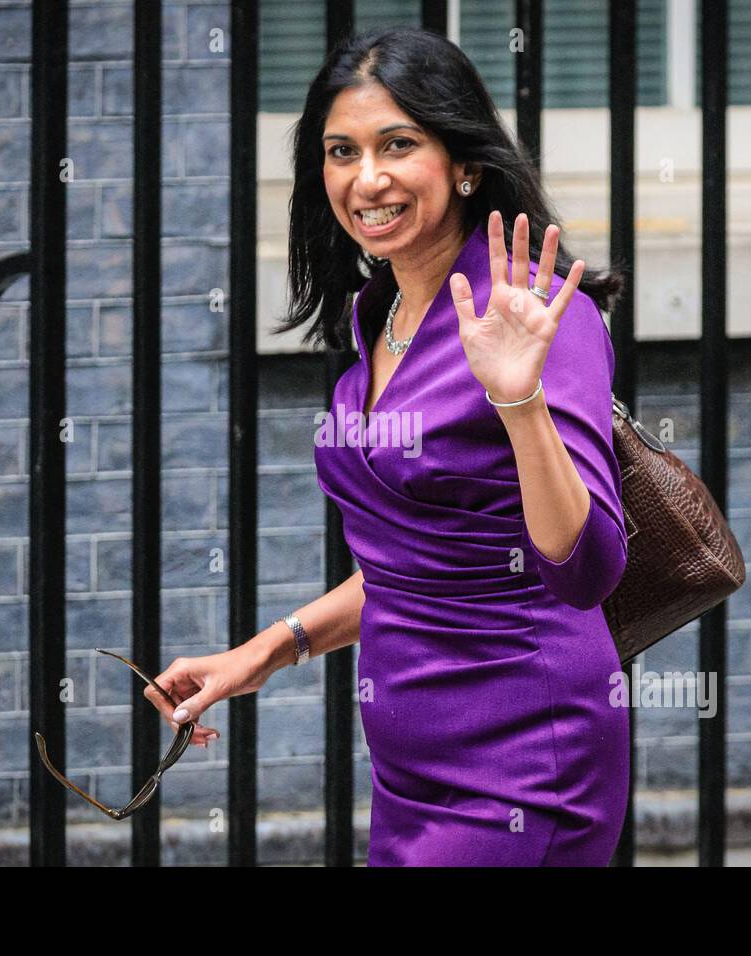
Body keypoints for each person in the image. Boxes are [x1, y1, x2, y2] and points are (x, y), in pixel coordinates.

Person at [144, 26, 631, 866]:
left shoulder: (543, 314)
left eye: (398, 144)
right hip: (409, 772)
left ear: (465, 164)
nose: (366, 178)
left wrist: (518, 399)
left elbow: (587, 568)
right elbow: (416, 568)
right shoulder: (378, 316)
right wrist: (265, 651)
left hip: (524, 760)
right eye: (342, 151)